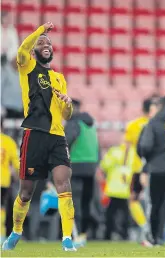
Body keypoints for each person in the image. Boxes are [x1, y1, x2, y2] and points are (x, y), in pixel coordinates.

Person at [2, 22, 77, 251]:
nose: (46, 45)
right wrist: (39, 31)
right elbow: (22, 50)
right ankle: (16, 231)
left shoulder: (59, 78)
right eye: (41, 43)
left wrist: (68, 104)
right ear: (35, 50)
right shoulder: (27, 67)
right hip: (34, 135)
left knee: (64, 184)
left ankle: (67, 239)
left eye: (49, 43)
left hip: (57, 137)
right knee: (26, 193)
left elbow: (66, 114)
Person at [65, 99, 99, 246]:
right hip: (91, 167)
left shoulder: (73, 123)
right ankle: (83, 234)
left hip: (76, 167)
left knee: (72, 202)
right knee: (86, 202)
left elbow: (66, 142)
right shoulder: (90, 124)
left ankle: (74, 234)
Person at [138, 97, 165, 245]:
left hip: (157, 168)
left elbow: (145, 146)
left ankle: (154, 236)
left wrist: (148, 159)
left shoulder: (153, 123)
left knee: (155, 204)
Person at [124, 98, 152, 246]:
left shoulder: (133, 125)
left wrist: (123, 168)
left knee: (133, 199)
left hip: (137, 167)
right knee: (153, 200)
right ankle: (151, 229)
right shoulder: (158, 124)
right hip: (154, 167)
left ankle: (144, 225)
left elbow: (126, 149)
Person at [100, 133, 135, 241]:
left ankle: (108, 235)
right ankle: (125, 235)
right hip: (126, 188)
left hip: (114, 188)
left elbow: (104, 166)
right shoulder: (133, 153)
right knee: (125, 213)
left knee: (111, 213)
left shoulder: (114, 151)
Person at [0, 119, 20, 243]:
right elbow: (16, 163)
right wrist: (18, 175)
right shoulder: (9, 141)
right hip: (3, 180)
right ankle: (1, 234)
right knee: (1, 207)